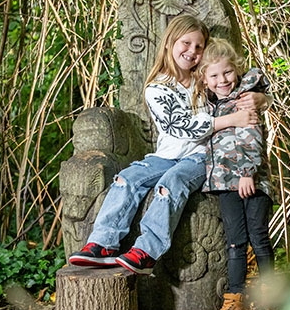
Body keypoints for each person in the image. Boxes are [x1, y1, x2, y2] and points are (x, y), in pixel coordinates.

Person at [68, 15, 266, 275]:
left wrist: (259, 98)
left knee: (172, 182)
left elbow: (238, 89)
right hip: (165, 155)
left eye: (199, 46)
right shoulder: (157, 88)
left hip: (202, 156)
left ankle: (146, 251)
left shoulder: (206, 79)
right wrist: (231, 119)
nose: (192, 51)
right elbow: (180, 126)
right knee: (126, 179)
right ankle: (102, 243)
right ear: (169, 43)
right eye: (186, 43)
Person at [197, 38, 274, 310]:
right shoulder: (209, 104)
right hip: (224, 183)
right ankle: (235, 298)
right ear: (205, 78)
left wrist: (247, 172)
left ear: (237, 70)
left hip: (251, 180)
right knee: (234, 242)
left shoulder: (245, 98)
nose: (222, 80)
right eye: (214, 75)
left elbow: (252, 136)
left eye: (227, 73)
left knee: (259, 237)